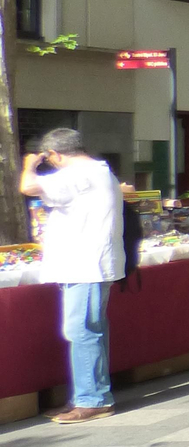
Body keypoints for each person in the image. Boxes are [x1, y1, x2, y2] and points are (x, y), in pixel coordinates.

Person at [18, 128, 125, 421]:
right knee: (91, 331)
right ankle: (91, 394)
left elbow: (28, 187)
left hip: (85, 265)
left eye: (49, 158)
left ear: (55, 154)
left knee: (82, 331)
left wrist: (30, 164)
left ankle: (93, 399)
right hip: (88, 263)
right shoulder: (96, 172)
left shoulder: (77, 175)